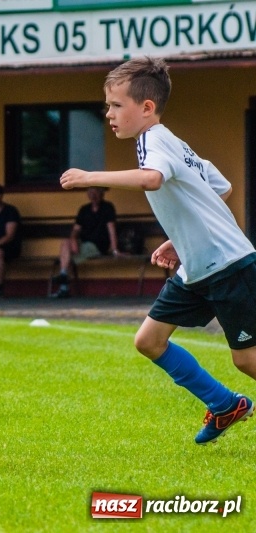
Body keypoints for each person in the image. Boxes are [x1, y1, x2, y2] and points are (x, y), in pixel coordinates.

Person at [60, 56, 255, 445]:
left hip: (228, 266)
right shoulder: (173, 143)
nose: (108, 114)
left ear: (147, 108)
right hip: (197, 269)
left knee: (246, 359)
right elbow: (221, 187)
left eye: (117, 105)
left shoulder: (155, 141)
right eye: (108, 105)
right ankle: (224, 405)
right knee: (148, 341)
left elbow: (152, 180)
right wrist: (179, 237)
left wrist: (89, 176)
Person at [51, 186, 119, 298]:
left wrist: (115, 250)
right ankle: (63, 278)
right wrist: (73, 240)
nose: (93, 195)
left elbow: (112, 230)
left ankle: (63, 284)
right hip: (83, 244)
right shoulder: (84, 209)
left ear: (101, 193)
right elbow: (76, 230)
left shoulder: (107, 208)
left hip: (98, 246)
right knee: (66, 244)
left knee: (67, 256)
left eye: (96, 192)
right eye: (90, 192)